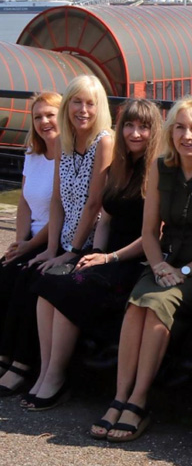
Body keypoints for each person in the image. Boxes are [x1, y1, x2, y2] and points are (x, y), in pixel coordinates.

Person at [93, 95, 192, 443]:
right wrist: (158, 265)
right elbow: (148, 230)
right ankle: (119, 396)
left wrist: (184, 272)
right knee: (135, 306)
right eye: (180, 128)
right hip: (164, 261)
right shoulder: (161, 167)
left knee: (156, 308)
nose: (187, 136)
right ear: (171, 132)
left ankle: (139, 401)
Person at [31, 100, 162, 421]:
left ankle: (57, 377)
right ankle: (46, 369)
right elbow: (105, 217)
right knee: (49, 283)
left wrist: (108, 258)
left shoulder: (158, 169)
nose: (134, 133)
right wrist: (90, 255)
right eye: (128, 126)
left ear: (154, 130)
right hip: (108, 255)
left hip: (134, 259)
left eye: (143, 127)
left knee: (69, 291)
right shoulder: (119, 165)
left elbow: (154, 234)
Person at [20, 76, 115, 410]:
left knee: (59, 287)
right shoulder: (65, 141)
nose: (83, 110)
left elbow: (94, 203)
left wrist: (72, 251)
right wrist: (51, 249)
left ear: (99, 106)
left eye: (90, 103)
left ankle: (56, 377)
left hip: (92, 242)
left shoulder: (104, 142)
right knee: (42, 282)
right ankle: (45, 371)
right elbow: (59, 199)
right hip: (66, 241)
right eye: (77, 102)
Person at [0, 92, 61, 396]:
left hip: (56, 238)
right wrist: (19, 241)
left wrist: (30, 246)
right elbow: (24, 202)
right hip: (32, 237)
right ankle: (3, 355)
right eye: (38, 117)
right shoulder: (33, 155)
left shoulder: (69, 157)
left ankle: (22, 364)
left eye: (51, 115)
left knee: (27, 278)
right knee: (5, 271)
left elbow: (62, 210)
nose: (44, 122)